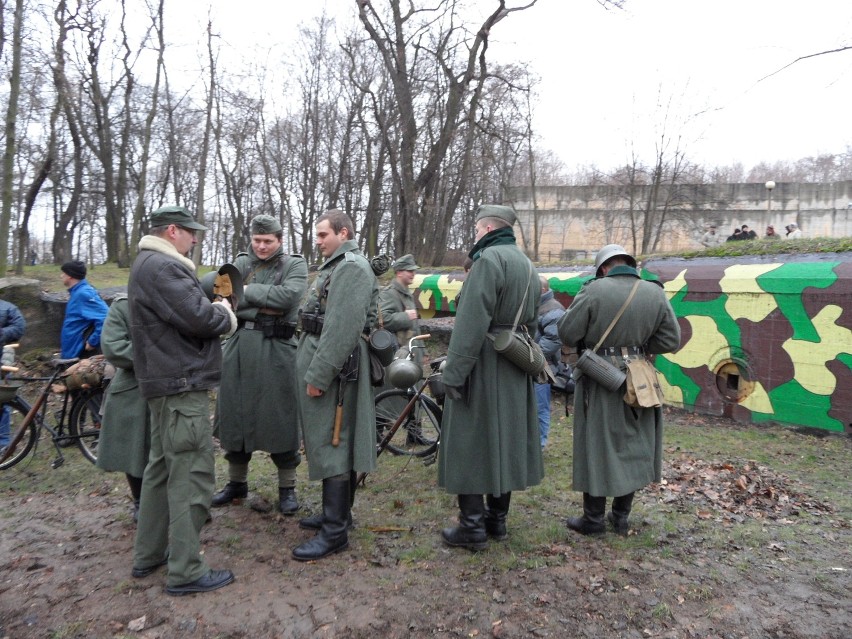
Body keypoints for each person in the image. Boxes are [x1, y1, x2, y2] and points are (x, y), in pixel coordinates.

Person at [127, 205, 238, 596]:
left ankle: (150, 554)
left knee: (159, 471)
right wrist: (225, 313)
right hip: (180, 387)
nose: (195, 239)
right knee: (191, 473)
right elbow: (199, 319)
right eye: (192, 233)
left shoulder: (148, 265)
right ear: (172, 231)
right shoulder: (163, 267)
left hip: (164, 385)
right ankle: (186, 569)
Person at [437, 204, 544, 551]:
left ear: (484, 229)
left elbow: (470, 324)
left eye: (475, 230)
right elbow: (532, 321)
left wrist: (453, 373)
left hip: (483, 364)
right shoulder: (527, 265)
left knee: (468, 442)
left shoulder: (486, 261)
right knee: (505, 442)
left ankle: (471, 527)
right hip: (514, 361)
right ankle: (496, 522)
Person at [557, 244, 680, 537]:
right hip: (640, 379)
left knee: (596, 443)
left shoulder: (594, 290)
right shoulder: (654, 292)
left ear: (602, 268)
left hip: (600, 376)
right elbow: (671, 340)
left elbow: (567, 332)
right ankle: (621, 518)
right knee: (636, 445)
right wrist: (638, 348)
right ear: (630, 264)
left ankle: (594, 520)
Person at [292, 209, 379, 561]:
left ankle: (335, 532)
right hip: (323, 358)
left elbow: (342, 328)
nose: (318, 240)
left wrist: (319, 374)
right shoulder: (337, 265)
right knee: (329, 438)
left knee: (335, 440)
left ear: (343, 233)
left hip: (335, 368)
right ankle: (337, 515)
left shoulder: (352, 268)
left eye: (323, 234)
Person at [212, 215, 308, 515]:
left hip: (278, 351)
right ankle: (237, 483)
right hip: (240, 350)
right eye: (257, 241)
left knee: (281, 417)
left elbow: (289, 297)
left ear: (279, 240)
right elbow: (219, 296)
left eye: (268, 241)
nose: (262, 246)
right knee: (236, 416)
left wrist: (243, 294)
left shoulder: (294, 265)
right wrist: (262, 304)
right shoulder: (238, 264)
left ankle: (287, 488)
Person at [96, 294, 150, 523]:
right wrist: (158, 355)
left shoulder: (178, 299)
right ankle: (140, 502)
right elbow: (113, 346)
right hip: (133, 387)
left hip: (177, 388)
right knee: (134, 449)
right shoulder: (124, 305)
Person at [535, 276, 565, 449]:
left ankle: (539, 444)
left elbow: (554, 340)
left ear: (543, 290)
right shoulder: (537, 306)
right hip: (532, 362)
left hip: (541, 366)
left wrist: (530, 356)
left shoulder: (553, 309)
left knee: (540, 407)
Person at [60, 260, 109, 359]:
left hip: (80, 354)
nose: (61, 276)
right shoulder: (77, 292)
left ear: (70, 275)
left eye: (63, 273)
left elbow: (106, 317)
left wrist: (93, 341)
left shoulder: (83, 294)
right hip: (72, 351)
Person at [377, 253, 421, 356]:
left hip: (412, 351)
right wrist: (405, 317)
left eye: (414, 271)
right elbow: (380, 320)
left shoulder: (407, 293)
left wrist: (422, 352)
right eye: (409, 271)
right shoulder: (389, 293)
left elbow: (414, 327)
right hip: (398, 354)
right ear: (399, 273)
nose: (413, 274)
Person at [0, 299, 26, 450]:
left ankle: (3, 442)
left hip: (2, 362)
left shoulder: (7, 308)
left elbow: (20, 327)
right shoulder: (8, 307)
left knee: (3, 400)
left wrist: (3, 333)